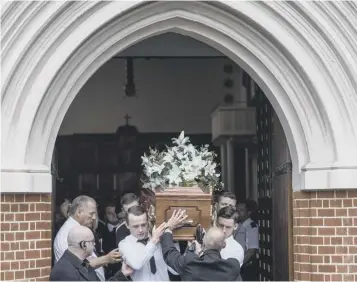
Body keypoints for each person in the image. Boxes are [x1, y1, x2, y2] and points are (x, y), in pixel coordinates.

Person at [54, 195, 121, 281]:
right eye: (91, 214)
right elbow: (76, 267)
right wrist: (106, 259)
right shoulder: (67, 234)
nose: (94, 218)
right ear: (79, 212)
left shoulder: (77, 229)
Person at [161, 214, 241, 282]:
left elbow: (169, 254)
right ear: (224, 245)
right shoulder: (232, 267)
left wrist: (168, 229)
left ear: (204, 241)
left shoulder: (189, 263)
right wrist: (199, 252)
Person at [50, 225, 133, 281]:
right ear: (84, 245)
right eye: (92, 241)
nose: (95, 244)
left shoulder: (82, 263)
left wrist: (122, 274)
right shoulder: (63, 272)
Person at [118, 205, 175, 281]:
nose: (141, 230)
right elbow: (136, 264)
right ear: (127, 225)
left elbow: (174, 271)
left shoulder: (159, 238)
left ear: (148, 222)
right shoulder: (124, 244)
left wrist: (173, 240)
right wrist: (153, 241)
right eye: (136, 226)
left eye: (143, 225)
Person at [236, 201, 259, 281]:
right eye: (237, 210)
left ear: (248, 212)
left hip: (246, 266)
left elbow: (251, 250)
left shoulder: (251, 226)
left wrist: (239, 264)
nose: (238, 213)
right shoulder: (237, 225)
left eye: (241, 210)